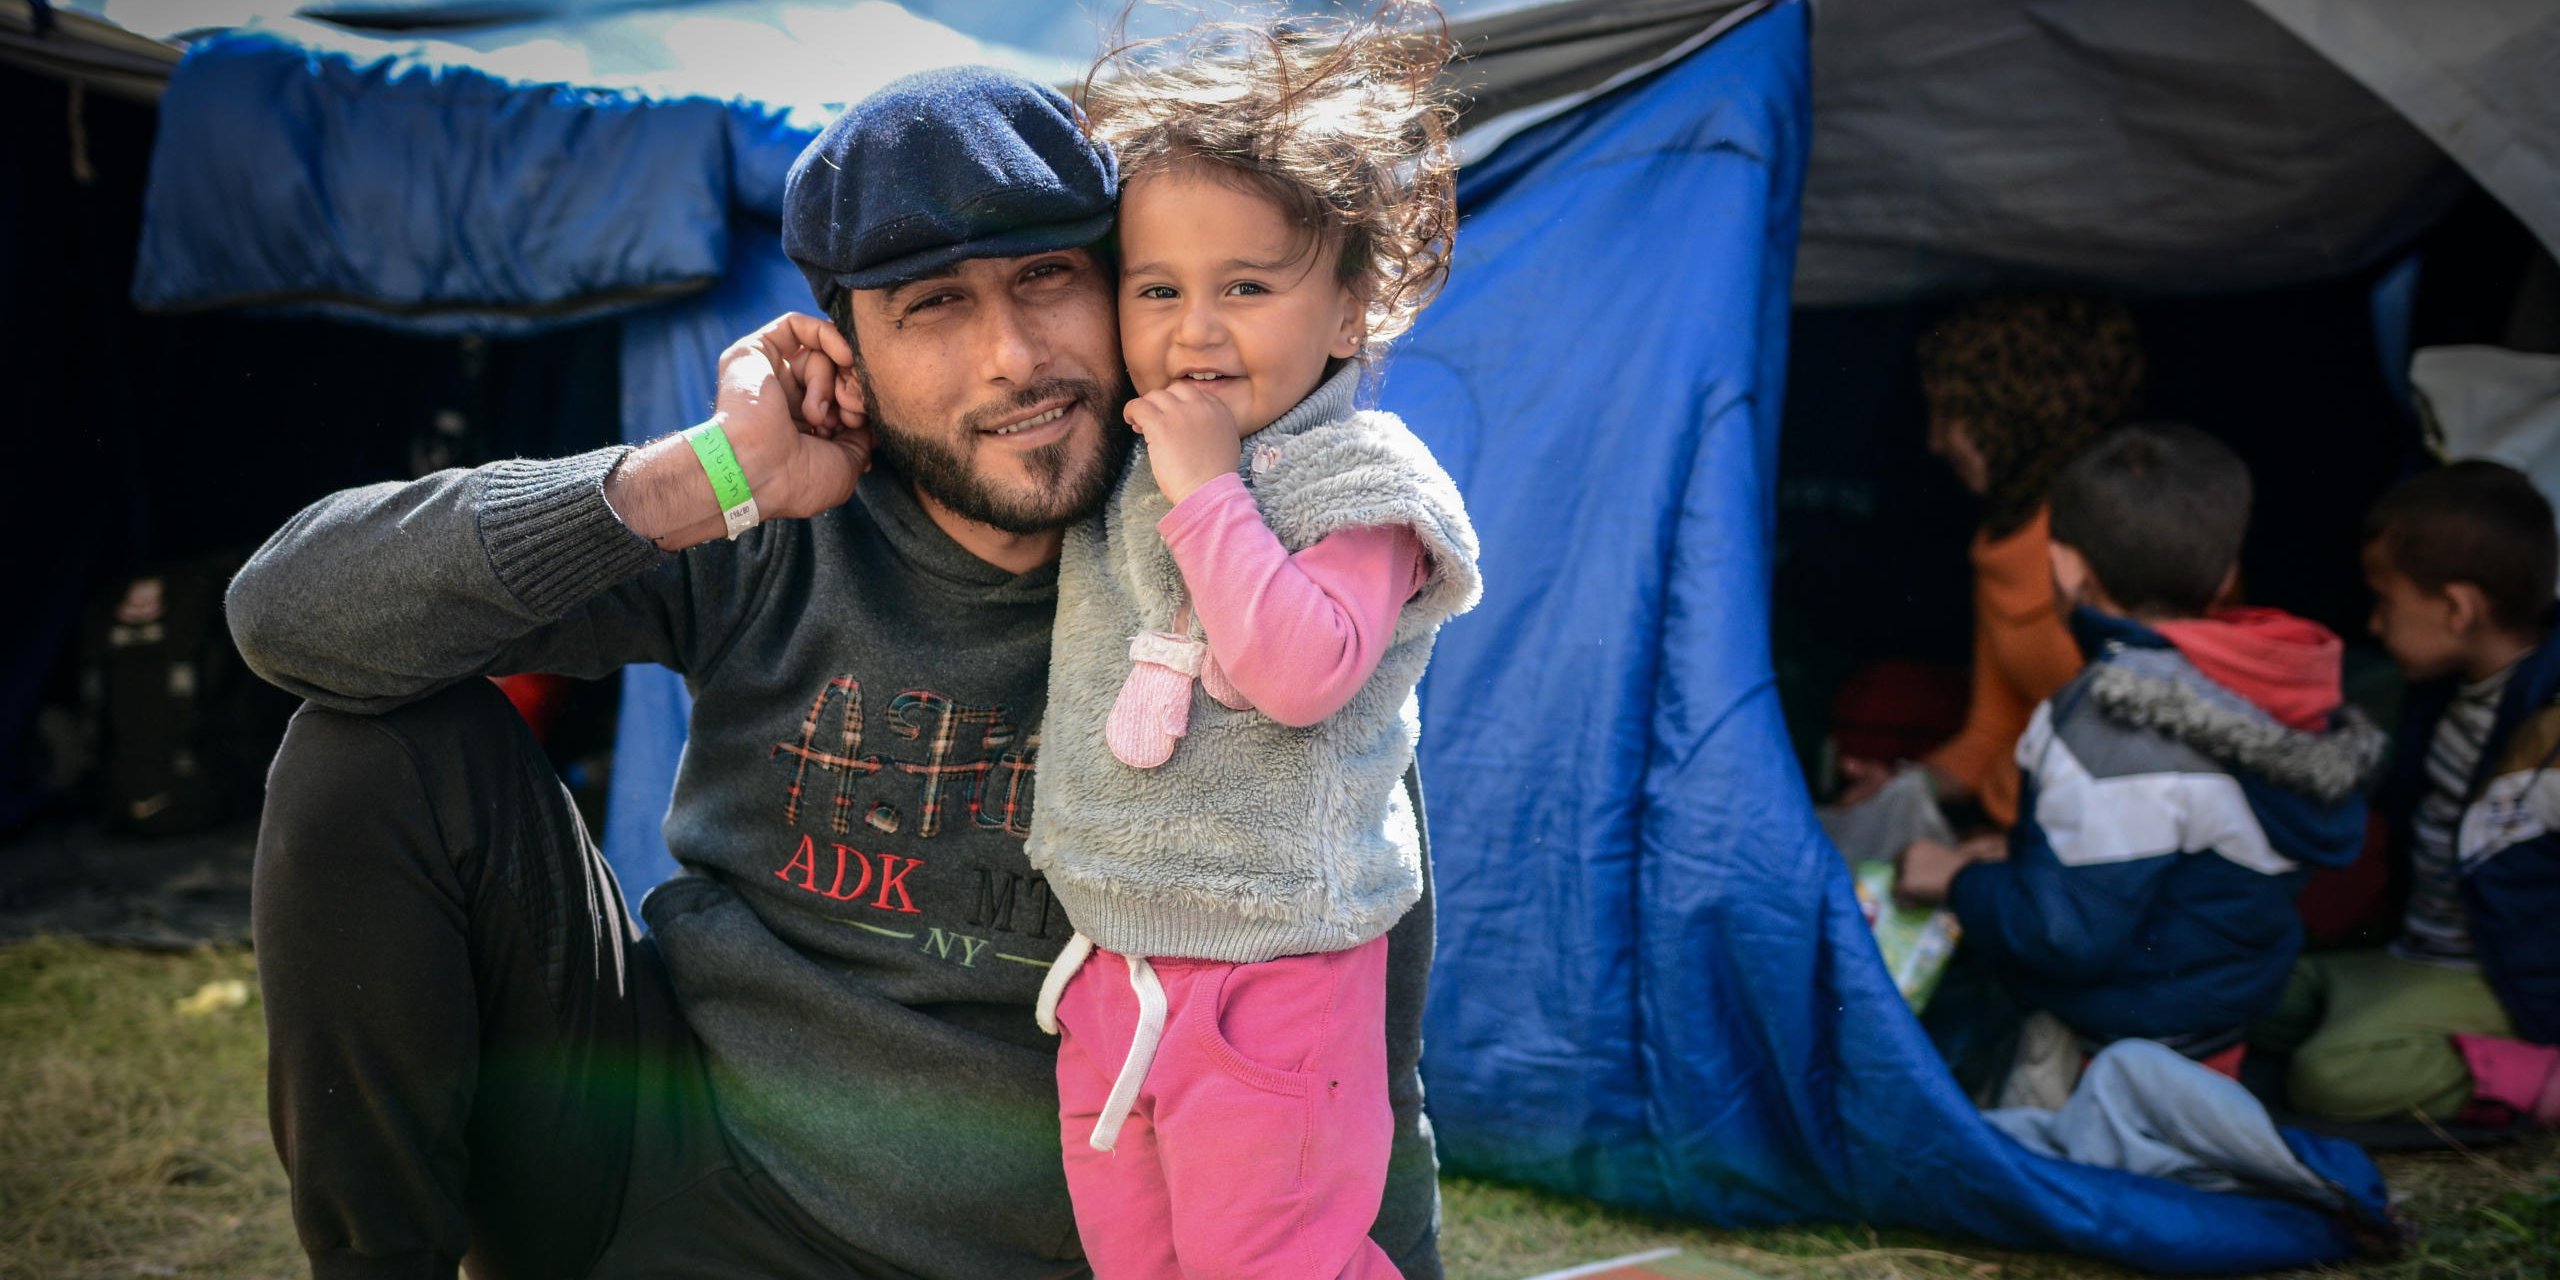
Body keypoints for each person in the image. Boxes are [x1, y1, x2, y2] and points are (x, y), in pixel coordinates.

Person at [226, 66, 1444, 1279]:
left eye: (1045, 278)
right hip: (670, 1176)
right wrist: (691, 479)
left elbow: (1349, 1037)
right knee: (374, 747)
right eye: (932, 307)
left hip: (1048, 1235)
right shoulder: (773, 525)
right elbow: (288, 613)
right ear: (843, 348)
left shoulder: (1252, 587)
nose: (1013, 357)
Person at [1021, 12, 1477, 1278]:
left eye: (1247, 288)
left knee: (1276, 1258)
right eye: (1157, 289)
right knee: (1137, 1254)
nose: (1196, 329)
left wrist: (1209, 489)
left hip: (1278, 969)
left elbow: (1299, 671)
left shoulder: (1360, 481)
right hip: (1116, 957)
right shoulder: (1129, 458)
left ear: (1349, 313)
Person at [1897, 424, 2382, 1089]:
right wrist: (2017, 861)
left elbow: (2062, 936)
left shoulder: (2106, 721)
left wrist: (1953, 878)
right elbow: (2178, 850)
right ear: (2228, 573)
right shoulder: (2278, 691)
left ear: (2066, 567)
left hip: (2104, 1062)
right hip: (2212, 1041)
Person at [2251, 460, 2560, 1125]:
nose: (2374, 623)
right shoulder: (2437, 695)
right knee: (2247, 990)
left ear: (2457, 609)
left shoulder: (2550, 727)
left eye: (2386, 600)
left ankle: (2537, 1076)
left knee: (2327, 1077)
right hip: (2416, 953)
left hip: (2505, 981)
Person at [1838, 295, 2145, 829]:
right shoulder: (2004, 542)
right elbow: (1994, 732)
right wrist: (1908, 787)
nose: (1936, 441)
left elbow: (2149, 759)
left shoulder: (2128, 534)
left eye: (1951, 413)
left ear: (2012, 408)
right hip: (2020, 838)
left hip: (2094, 858)